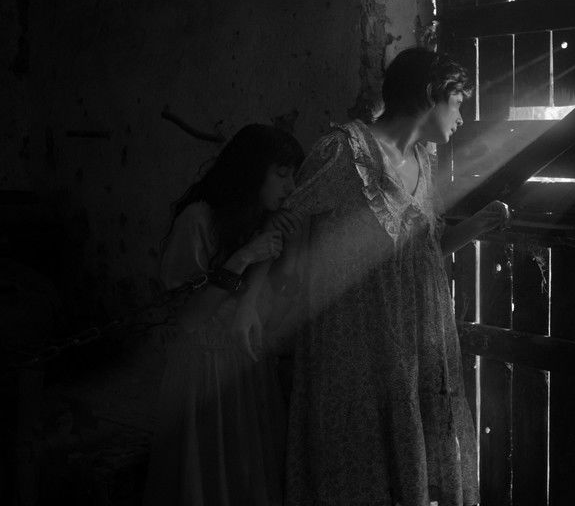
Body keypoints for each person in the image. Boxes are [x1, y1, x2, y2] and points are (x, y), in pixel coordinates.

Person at [274, 48, 508, 506]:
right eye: (457, 102)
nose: (462, 117)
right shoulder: (344, 152)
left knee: (411, 470)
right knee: (357, 464)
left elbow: (423, 254)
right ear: (429, 94)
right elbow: (286, 228)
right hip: (357, 344)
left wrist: (478, 224)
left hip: (416, 341)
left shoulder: (425, 160)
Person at [143, 124, 304, 506]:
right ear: (252, 172)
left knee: (247, 478)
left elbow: (281, 299)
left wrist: (287, 247)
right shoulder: (198, 220)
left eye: (293, 176)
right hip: (204, 372)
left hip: (246, 370)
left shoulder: (262, 220)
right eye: (282, 174)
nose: (291, 186)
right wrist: (245, 256)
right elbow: (188, 318)